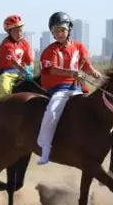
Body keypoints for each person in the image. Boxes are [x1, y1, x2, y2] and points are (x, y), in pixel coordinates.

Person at [36, 12, 101, 165]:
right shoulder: (49, 51)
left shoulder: (79, 46)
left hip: (78, 88)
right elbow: (51, 69)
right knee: (52, 112)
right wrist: (70, 73)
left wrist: (96, 73)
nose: (59, 34)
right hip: (59, 89)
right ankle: (45, 149)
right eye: (56, 31)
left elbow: (86, 66)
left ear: (69, 29)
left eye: (62, 30)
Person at [0, 14, 34, 100]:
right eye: (16, 31)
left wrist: (30, 68)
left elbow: (29, 61)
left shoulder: (25, 43)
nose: (19, 33)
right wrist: (24, 71)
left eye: (21, 31)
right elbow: (14, 62)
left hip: (22, 73)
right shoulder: (6, 45)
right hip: (7, 73)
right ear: (9, 32)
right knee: (5, 87)